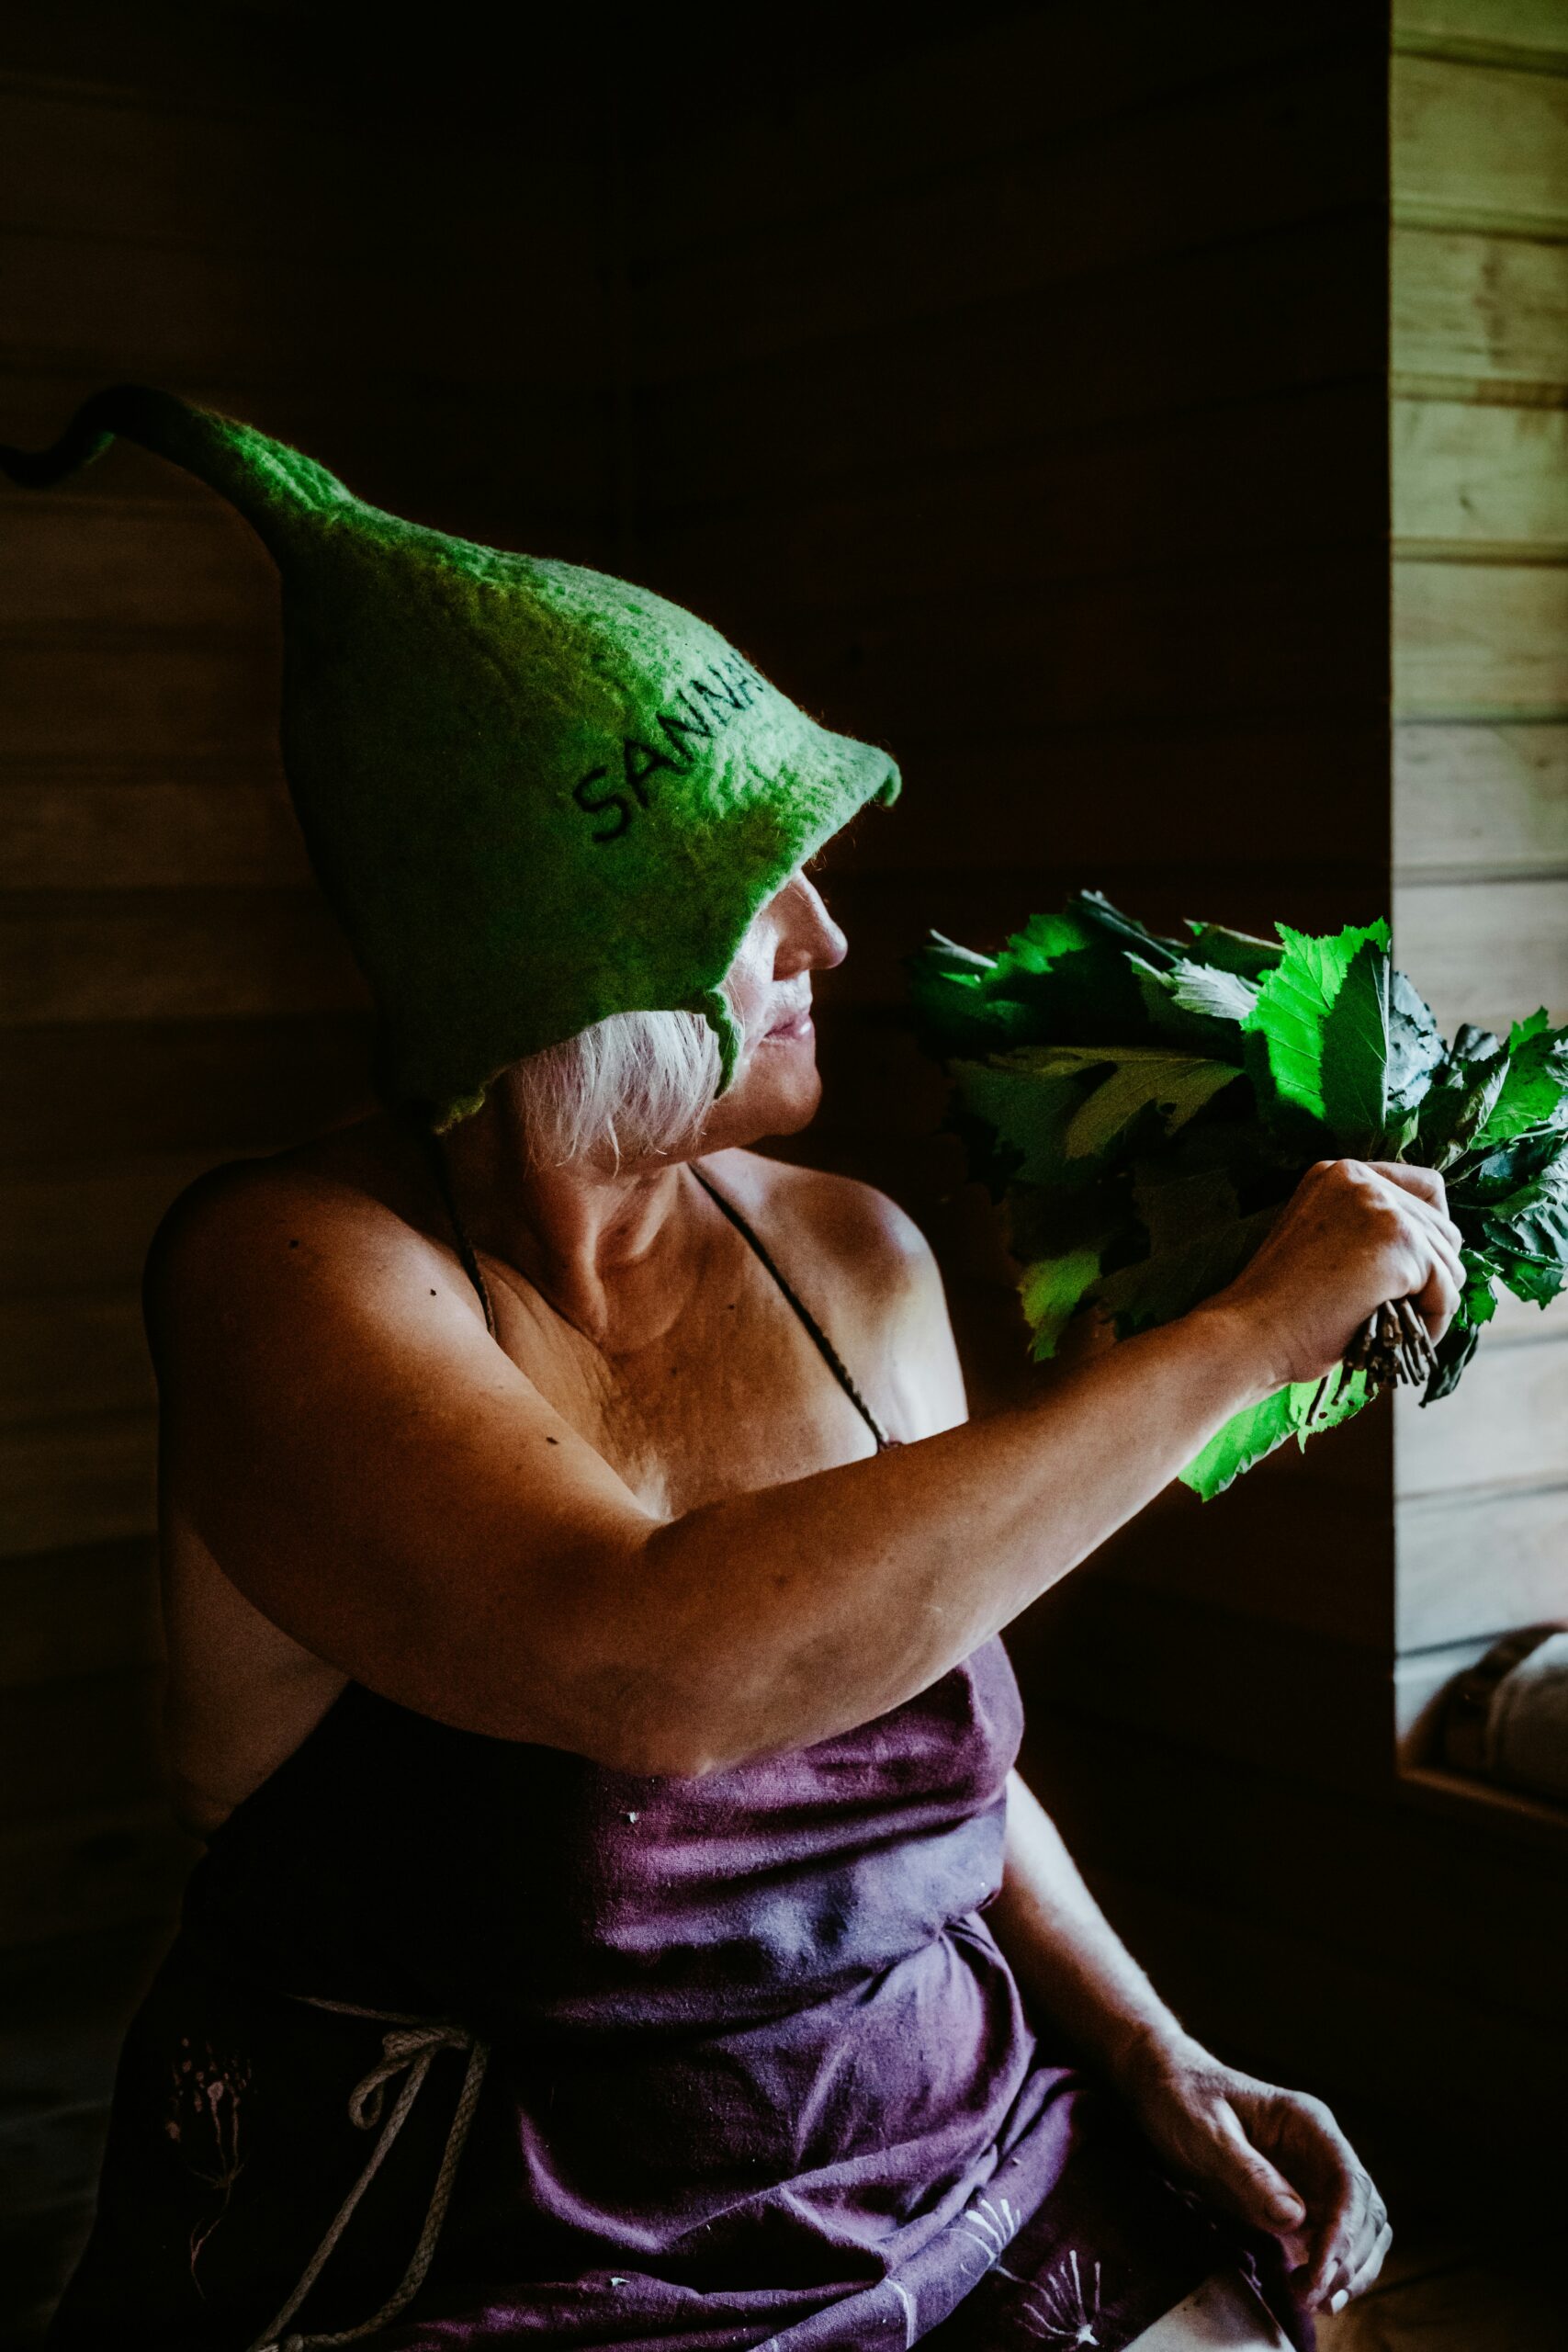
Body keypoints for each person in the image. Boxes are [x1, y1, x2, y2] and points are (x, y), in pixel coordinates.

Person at [3, 394, 1457, 2352]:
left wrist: (1144, 2043)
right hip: (486, 2222)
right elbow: (649, 1667)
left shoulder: (848, 1248)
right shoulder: (290, 1271)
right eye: (752, 900)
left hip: (933, 2141)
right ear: (562, 964)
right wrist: (1227, 1343)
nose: (824, 934)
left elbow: (927, 1721)